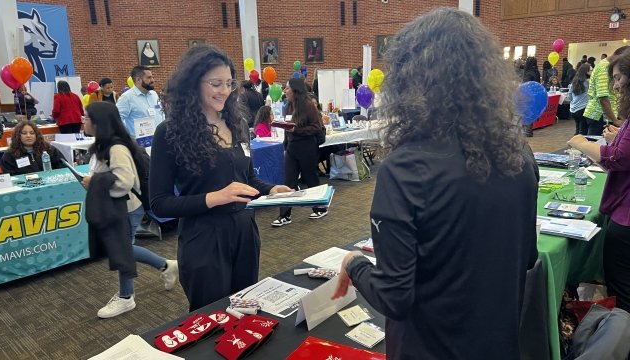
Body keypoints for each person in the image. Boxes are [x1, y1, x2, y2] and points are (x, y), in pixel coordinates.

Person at [331, 8, 539, 359]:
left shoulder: (407, 169)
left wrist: (354, 263)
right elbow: (528, 257)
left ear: (410, 80)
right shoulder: (518, 154)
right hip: (497, 345)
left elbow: (393, 296)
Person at [149, 44, 292, 311]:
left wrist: (272, 190)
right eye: (216, 83)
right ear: (193, 84)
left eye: (229, 83)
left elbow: (247, 180)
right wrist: (215, 198)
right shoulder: (169, 132)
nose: (225, 91)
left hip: (245, 234)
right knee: (211, 318)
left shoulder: (236, 123)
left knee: (244, 312)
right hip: (204, 239)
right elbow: (160, 203)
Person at [81, 101, 178, 318]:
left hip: (126, 208)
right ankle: (164, 267)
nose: (83, 121)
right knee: (122, 248)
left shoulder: (116, 148)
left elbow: (125, 181)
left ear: (99, 122)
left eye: (86, 117)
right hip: (119, 207)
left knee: (122, 249)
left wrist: (96, 182)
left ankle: (127, 296)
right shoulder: (103, 145)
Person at [567, 48, 630, 313]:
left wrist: (580, 143)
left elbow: (618, 158)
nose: (615, 85)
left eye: (618, 78)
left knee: (622, 293)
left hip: (626, 222)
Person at [271, 78, 326, 227]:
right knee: (289, 181)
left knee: (310, 179)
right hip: (292, 147)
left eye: (287, 88)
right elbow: (288, 127)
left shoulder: (309, 106)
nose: (285, 91)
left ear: (295, 90)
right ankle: (284, 215)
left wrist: (297, 130)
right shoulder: (288, 106)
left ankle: (320, 208)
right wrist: (286, 144)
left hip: (307, 147)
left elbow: (316, 128)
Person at [583, 47, 628, 135]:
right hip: (599, 115)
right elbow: (603, 98)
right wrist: (615, 120)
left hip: (607, 115)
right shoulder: (604, 67)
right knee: (596, 144)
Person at [0, 120, 66, 175]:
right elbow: (10, 177)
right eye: (24, 133)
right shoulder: (9, 155)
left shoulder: (49, 149)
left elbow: (64, 168)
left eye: (32, 133)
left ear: (37, 135)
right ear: (17, 136)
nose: (28, 136)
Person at [116, 66, 160, 137]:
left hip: (159, 140)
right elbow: (116, 120)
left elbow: (160, 114)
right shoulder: (127, 98)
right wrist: (128, 137)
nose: (153, 80)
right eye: (149, 78)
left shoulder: (154, 94)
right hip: (140, 144)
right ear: (138, 80)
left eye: (152, 77)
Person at [568, 63, 591, 135]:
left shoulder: (574, 81)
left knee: (578, 129)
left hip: (573, 108)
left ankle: (575, 144)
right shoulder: (588, 82)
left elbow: (570, 95)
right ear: (587, 71)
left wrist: (573, 102)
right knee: (583, 131)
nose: (592, 71)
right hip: (583, 108)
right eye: (591, 70)